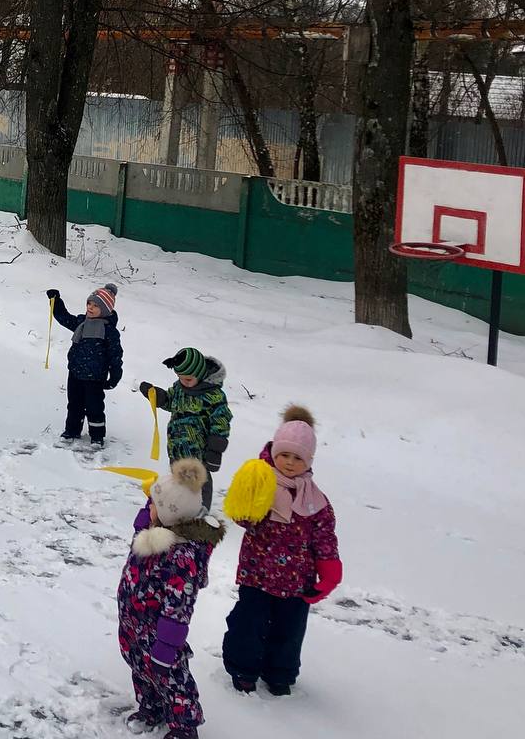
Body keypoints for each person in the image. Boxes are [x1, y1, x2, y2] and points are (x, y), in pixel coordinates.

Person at [221, 405, 342, 695]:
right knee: (249, 624)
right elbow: (242, 516)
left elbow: (324, 536)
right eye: (284, 455)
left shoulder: (315, 498)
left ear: (309, 460)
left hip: (298, 580)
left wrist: (328, 572)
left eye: (297, 457)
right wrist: (250, 500)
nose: (289, 462)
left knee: (289, 632)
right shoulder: (261, 481)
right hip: (257, 574)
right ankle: (243, 669)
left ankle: (280, 673)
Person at [118, 459, 223, 739]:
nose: (148, 506)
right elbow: (144, 520)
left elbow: (179, 604)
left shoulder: (181, 556)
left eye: (153, 503)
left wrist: (168, 642)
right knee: (139, 667)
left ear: (167, 516)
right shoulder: (151, 531)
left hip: (159, 630)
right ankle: (150, 707)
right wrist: (150, 504)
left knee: (171, 676)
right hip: (133, 622)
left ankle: (184, 725)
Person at [139, 347, 232, 506]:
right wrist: (156, 395)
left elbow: (221, 422)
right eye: (180, 378)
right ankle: (179, 508)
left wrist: (215, 451)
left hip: (199, 453)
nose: (184, 382)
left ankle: (201, 512)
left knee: (200, 483)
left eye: (188, 379)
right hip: (177, 448)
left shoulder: (214, 396)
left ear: (200, 374)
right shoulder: (179, 389)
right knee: (178, 481)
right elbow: (170, 401)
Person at [45, 285, 122, 444]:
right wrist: (56, 301)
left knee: (94, 408)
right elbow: (64, 317)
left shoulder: (109, 331)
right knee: (74, 404)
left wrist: (115, 375)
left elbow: (115, 355)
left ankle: (97, 436)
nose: (91, 308)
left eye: (96, 306)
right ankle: (72, 431)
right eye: (89, 304)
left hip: (95, 377)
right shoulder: (81, 322)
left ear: (105, 310)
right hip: (75, 373)